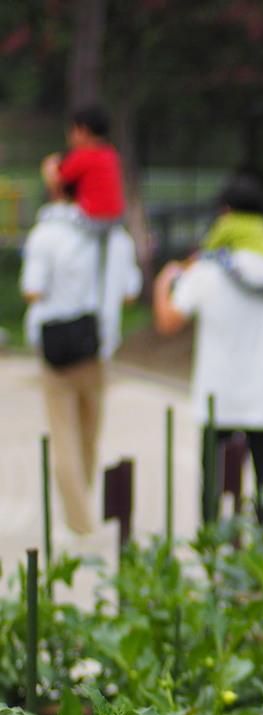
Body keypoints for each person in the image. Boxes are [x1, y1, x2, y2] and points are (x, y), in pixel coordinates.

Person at [152, 173, 263, 527]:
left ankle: (212, 554)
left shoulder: (206, 271)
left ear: (225, 213)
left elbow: (168, 323)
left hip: (216, 394)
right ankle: (262, 553)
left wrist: (163, 283)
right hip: (261, 393)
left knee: (212, 481)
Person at [19, 181, 141, 536]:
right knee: (88, 438)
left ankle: (79, 524)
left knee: (65, 438)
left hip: (56, 351)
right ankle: (82, 510)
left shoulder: (48, 235)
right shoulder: (117, 240)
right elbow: (131, 293)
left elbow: (32, 290)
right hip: (99, 349)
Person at [41, 104, 125, 224]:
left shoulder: (83, 155)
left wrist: (49, 165)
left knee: (46, 213)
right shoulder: (110, 153)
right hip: (116, 217)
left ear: (82, 130)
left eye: (72, 130)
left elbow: (57, 182)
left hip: (92, 217)